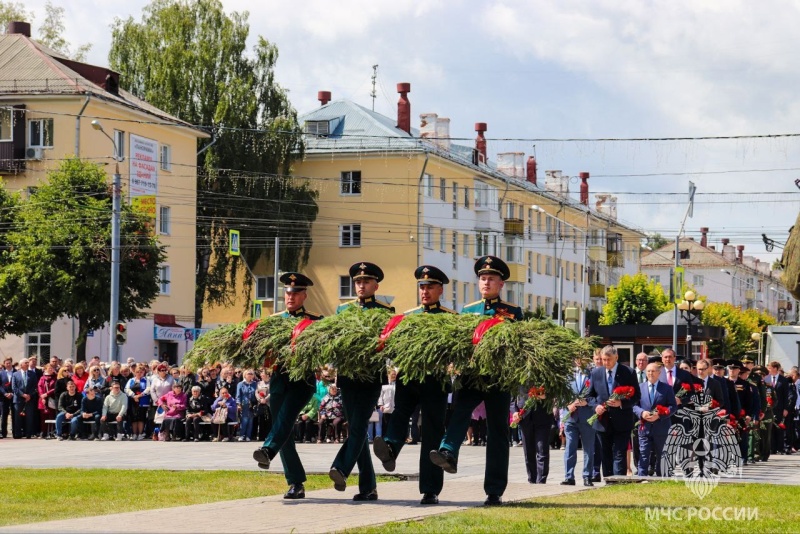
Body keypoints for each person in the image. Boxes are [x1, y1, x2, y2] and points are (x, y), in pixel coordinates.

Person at [430, 256, 523, 506]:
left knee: (497, 432)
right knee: (460, 412)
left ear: (501, 284)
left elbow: (518, 347)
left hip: (498, 379)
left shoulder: (513, 312)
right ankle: (448, 451)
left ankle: (494, 490)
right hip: (471, 375)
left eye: (491, 278)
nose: (486, 282)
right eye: (483, 278)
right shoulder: (469, 311)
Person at [373, 265, 454, 505]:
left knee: (432, 433)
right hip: (409, 376)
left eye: (430, 287)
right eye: (422, 287)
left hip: (435, 380)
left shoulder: (450, 319)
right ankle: (389, 448)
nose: (425, 291)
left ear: (440, 290)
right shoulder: (407, 318)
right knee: (399, 414)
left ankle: (430, 490)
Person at [325, 262, 394, 502]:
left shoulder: (386, 311)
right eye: (357, 282)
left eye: (366, 281)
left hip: (370, 378)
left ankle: (341, 468)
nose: (361, 285)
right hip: (347, 378)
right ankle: (369, 487)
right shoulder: (343, 311)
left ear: (376, 285)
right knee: (357, 430)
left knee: (357, 428)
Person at [252, 271, 324, 500]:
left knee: (283, 421)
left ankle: (267, 450)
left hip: (302, 381)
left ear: (304, 295)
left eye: (295, 293)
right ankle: (296, 483)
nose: (290, 297)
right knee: (283, 430)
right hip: (279, 380)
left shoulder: (314, 321)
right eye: (287, 293)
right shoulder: (275, 321)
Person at [587, 345, 640, 479]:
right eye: (603, 359)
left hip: (622, 421)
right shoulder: (596, 373)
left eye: (608, 359)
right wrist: (596, 406)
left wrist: (622, 403)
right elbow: (589, 396)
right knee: (605, 453)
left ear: (616, 357)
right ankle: (608, 480)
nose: (605, 362)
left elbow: (636, 396)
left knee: (619, 453)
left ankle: (619, 480)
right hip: (602, 422)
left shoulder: (628, 372)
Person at [633, 362, 677, 476]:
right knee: (643, 453)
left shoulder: (667, 388)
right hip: (644, 426)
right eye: (648, 371)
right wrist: (642, 413)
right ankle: (642, 476)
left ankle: (661, 475)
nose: (650, 373)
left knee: (661, 453)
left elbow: (673, 406)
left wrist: (660, 415)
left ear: (659, 373)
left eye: (653, 371)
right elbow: (634, 405)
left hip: (661, 427)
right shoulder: (640, 387)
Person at [560, 357, 596, 487]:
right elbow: (561, 395)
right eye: (577, 358)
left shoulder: (592, 375)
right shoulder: (566, 376)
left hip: (587, 417)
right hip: (571, 417)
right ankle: (569, 476)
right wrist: (567, 405)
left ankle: (587, 476)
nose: (579, 361)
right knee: (570, 447)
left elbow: (596, 395)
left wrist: (587, 402)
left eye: (582, 358)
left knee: (588, 448)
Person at [513, 386, 552, 484]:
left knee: (542, 449)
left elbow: (555, 390)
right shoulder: (518, 372)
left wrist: (546, 396)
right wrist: (514, 411)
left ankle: (541, 481)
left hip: (543, 416)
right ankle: (532, 480)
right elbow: (512, 396)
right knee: (528, 452)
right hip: (525, 417)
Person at [124, 363, 150, 440]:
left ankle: (140, 434)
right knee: (134, 418)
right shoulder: (131, 380)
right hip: (133, 401)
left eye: (141, 372)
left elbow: (148, 389)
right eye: (138, 372)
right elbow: (126, 389)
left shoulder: (146, 380)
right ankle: (134, 433)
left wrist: (140, 395)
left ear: (143, 372)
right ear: (135, 372)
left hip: (142, 401)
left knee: (141, 418)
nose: (139, 373)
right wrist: (133, 395)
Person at [236, 370, 257, 442]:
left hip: (252, 404)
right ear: (245, 375)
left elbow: (257, 393)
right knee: (244, 420)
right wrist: (238, 404)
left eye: (251, 374)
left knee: (250, 420)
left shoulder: (255, 384)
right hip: (244, 404)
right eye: (249, 374)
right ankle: (242, 435)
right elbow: (238, 395)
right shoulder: (240, 384)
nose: (250, 375)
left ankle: (248, 436)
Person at [37, 364, 57, 438]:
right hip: (43, 399)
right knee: (43, 417)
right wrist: (42, 395)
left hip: (51, 399)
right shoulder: (42, 378)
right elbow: (39, 387)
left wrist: (46, 394)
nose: (51, 369)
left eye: (52, 368)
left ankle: (52, 432)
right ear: (45, 369)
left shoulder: (55, 377)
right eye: (49, 368)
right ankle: (43, 432)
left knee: (52, 416)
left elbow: (55, 388)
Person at [255, 369, 272, 441]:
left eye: (262, 374)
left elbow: (271, 393)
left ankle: (268, 436)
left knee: (268, 420)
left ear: (267, 375)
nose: (261, 375)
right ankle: (261, 436)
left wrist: (266, 399)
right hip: (261, 403)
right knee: (261, 420)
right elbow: (256, 392)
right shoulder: (259, 383)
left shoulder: (271, 383)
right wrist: (260, 399)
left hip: (268, 404)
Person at [0, 357, 14, 438]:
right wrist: (5, 393)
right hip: (3, 397)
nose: (8, 365)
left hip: (14, 396)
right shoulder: (1, 373)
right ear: (4, 364)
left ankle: (15, 432)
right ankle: (3, 432)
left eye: (9, 363)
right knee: (4, 415)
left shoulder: (16, 372)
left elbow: (17, 385)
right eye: (6, 363)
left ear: (11, 363)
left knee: (14, 415)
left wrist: (12, 393)